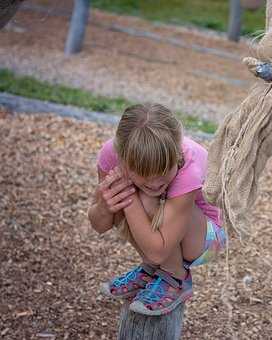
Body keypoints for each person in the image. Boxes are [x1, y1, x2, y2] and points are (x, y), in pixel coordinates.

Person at [87, 103, 226, 316]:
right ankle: (152, 271)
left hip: (206, 238)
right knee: (123, 196)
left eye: (164, 170)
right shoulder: (110, 155)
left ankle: (175, 277)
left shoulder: (189, 163)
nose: (154, 181)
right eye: (142, 172)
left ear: (176, 157)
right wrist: (105, 206)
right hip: (165, 237)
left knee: (144, 197)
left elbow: (158, 251)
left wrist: (131, 195)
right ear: (122, 159)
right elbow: (99, 225)